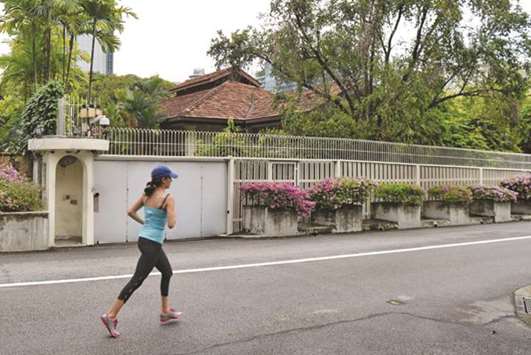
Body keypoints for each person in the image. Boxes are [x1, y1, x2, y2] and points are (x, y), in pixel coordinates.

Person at [100, 165, 181, 338]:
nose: (171, 181)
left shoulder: (147, 194)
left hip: (145, 241)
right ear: (163, 180)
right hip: (152, 244)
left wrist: (145, 222)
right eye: (170, 178)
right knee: (137, 280)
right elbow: (172, 224)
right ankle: (111, 315)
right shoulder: (168, 197)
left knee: (167, 272)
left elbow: (130, 211)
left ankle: (165, 311)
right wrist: (170, 214)